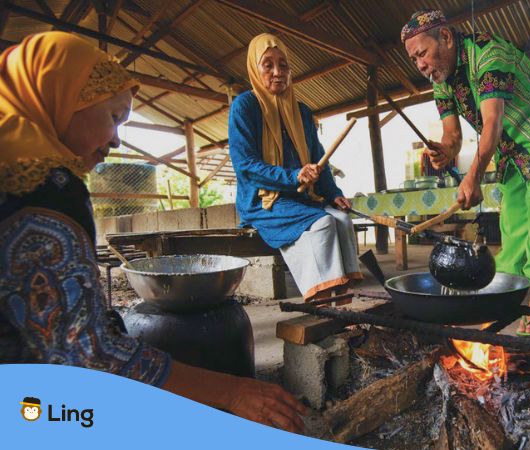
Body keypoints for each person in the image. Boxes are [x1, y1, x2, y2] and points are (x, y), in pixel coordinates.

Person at [0, 32, 307, 432]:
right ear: (62, 94)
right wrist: (233, 391)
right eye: (112, 116)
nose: (115, 139)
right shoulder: (45, 187)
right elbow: (86, 354)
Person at [401, 9, 530, 336]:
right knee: (512, 218)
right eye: (414, 60)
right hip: (509, 146)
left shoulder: (489, 53)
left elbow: (492, 123)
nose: (421, 64)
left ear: (446, 38)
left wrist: (474, 177)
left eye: (422, 53)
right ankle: (507, 293)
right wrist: (444, 152)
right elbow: (452, 136)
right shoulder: (441, 80)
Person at [228, 34, 362, 302]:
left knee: (343, 220)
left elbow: (318, 159)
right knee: (322, 223)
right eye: (268, 65)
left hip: (301, 199)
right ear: (255, 68)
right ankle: (320, 299)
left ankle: (339, 296)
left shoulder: (301, 111)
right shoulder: (244, 106)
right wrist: (293, 176)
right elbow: (246, 166)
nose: (278, 72)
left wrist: (333, 191)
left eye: (283, 65)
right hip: (263, 202)